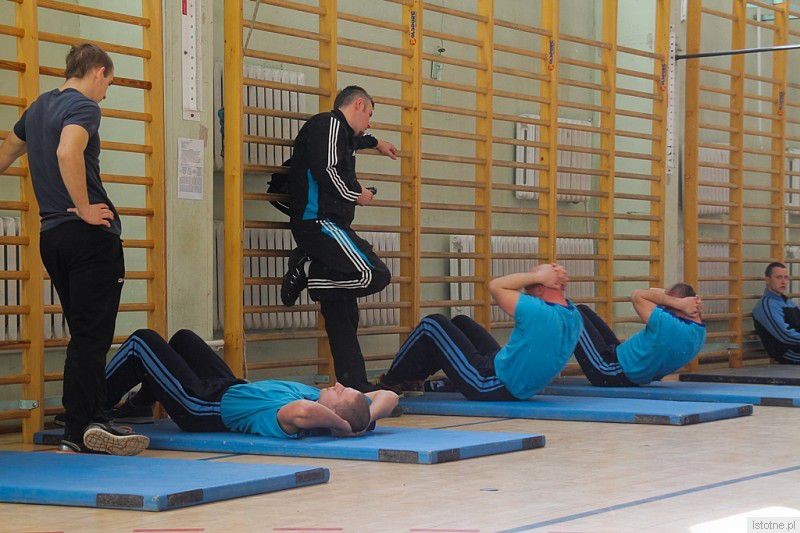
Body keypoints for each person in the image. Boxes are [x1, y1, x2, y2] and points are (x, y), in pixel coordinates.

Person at [0, 43, 148, 455]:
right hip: (88, 238)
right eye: (109, 84)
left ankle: (84, 420)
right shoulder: (84, 106)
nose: (106, 94)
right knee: (92, 336)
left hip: (53, 238)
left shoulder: (38, 108)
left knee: (83, 334)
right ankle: (86, 424)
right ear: (98, 72)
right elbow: (68, 151)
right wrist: (83, 207)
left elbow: (7, 151)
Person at [281, 85, 398, 392]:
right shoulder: (328, 124)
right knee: (375, 274)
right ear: (358, 104)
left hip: (329, 225)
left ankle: (354, 386)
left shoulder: (342, 135)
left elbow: (355, 141)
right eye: (369, 114)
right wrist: (357, 194)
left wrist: (378, 143)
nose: (369, 123)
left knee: (342, 310)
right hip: (320, 223)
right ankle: (310, 271)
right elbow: (328, 170)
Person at [104, 329, 400, 438]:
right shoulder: (330, 404)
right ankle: (139, 406)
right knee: (183, 340)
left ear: (334, 414)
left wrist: (342, 426)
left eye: (341, 392)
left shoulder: (293, 420)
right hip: (227, 385)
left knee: (142, 342)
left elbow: (303, 411)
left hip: (201, 406)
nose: (338, 385)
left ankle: (89, 406)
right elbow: (389, 396)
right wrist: (364, 421)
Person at [378, 264, 582, 401]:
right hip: (507, 372)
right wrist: (545, 277)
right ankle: (413, 379)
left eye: (534, 273)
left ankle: (390, 383)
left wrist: (538, 276)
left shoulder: (538, 312)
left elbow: (496, 286)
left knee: (433, 324)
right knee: (461, 322)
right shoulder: (573, 315)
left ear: (540, 288)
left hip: (488, 383)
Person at [572, 284, 705, 386]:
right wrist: (681, 302)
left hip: (609, 371)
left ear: (680, 307)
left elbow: (637, 295)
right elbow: (655, 293)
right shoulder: (699, 331)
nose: (664, 307)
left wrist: (677, 302)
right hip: (624, 361)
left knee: (572, 314)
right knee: (583, 309)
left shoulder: (669, 325)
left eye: (668, 306)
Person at [752, 262, 800, 364]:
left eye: (786, 277)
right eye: (778, 277)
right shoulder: (766, 305)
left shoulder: (789, 302)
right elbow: (785, 335)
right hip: (789, 353)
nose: (783, 281)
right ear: (767, 280)